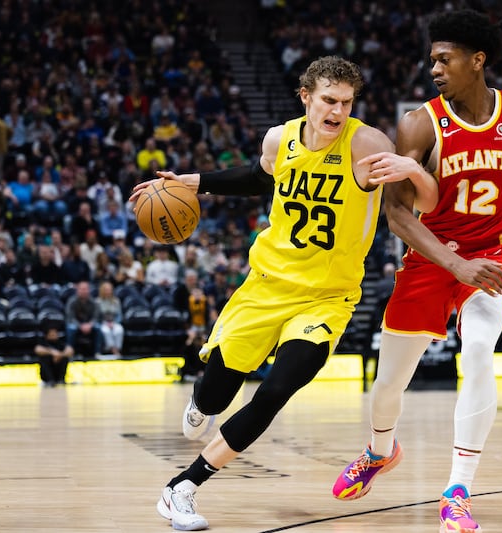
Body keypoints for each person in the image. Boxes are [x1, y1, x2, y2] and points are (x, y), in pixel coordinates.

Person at [129, 56, 393, 531]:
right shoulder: (279, 139)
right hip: (266, 285)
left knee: (275, 390)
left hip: (327, 298)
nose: (337, 111)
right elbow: (258, 178)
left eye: (346, 102)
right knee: (216, 395)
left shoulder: (366, 144)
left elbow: (401, 189)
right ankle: (202, 402)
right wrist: (191, 182)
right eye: (328, 100)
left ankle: (181, 487)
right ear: (306, 97)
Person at [332, 11, 502, 533]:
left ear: (477, 60)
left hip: (489, 258)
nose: (434, 69)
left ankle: (458, 490)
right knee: (389, 383)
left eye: (444, 59)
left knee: (478, 353)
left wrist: (474, 262)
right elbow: (397, 213)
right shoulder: (419, 123)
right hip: (431, 257)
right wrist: (454, 262)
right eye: (432, 60)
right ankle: (380, 451)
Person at [34, 322, 74, 386]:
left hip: (57, 370)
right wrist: (52, 352)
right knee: (45, 358)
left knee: (64, 358)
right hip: (46, 375)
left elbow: (70, 350)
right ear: (47, 335)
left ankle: (61, 380)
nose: (54, 334)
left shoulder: (60, 343)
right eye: (52, 333)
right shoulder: (44, 343)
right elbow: (37, 349)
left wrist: (60, 355)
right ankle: (50, 380)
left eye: (55, 333)